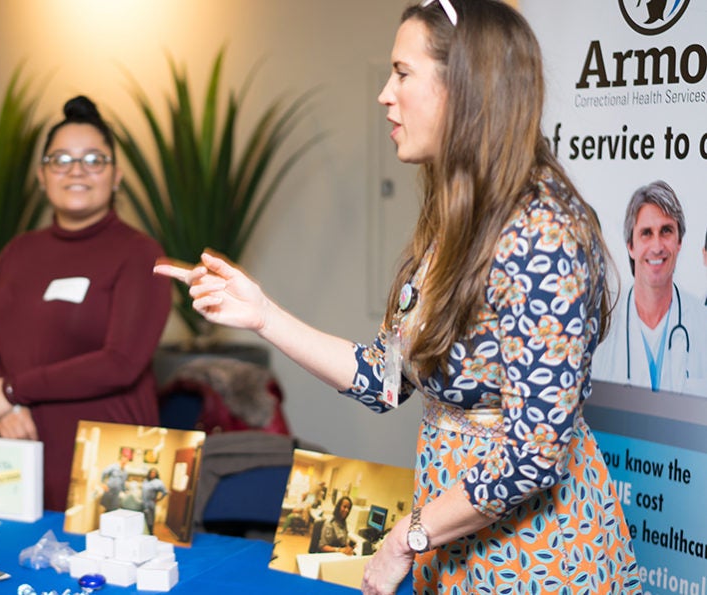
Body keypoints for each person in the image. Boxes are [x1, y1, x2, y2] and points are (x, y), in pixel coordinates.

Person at [155, 1, 640, 593]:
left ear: (465, 86)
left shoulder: (542, 231)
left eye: (402, 73)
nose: (385, 94)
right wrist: (263, 314)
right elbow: (388, 379)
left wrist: (406, 538)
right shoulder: (455, 219)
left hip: (537, 558)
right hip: (454, 542)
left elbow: (534, 454)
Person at [0, 95, 171, 511]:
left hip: (109, 464)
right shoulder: (19, 250)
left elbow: (121, 361)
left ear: (117, 176)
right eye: (61, 159)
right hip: (15, 459)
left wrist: (12, 390)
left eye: (94, 159)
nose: (77, 170)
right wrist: (1, 409)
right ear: (42, 175)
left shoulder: (141, 254)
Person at [593, 180, 707, 396]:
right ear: (630, 246)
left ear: (679, 242)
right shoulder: (602, 325)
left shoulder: (703, 323)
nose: (657, 247)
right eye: (646, 233)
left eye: (666, 231)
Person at [141, 467, 168, 534]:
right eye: (151, 472)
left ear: (156, 474)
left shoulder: (158, 482)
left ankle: (150, 534)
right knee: (142, 519)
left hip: (150, 503)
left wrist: (159, 499)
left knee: (150, 520)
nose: (152, 474)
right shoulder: (146, 481)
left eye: (154, 473)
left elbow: (165, 492)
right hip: (143, 503)